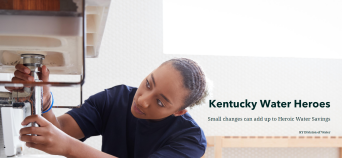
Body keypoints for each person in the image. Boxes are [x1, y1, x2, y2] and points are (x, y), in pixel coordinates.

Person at [12, 58, 208, 158]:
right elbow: (61, 130)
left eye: (160, 102)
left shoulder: (191, 139)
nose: (142, 100)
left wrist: (68, 146)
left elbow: (65, 140)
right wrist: (43, 98)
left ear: (179, 111)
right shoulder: (115, 99)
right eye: (149, 83)